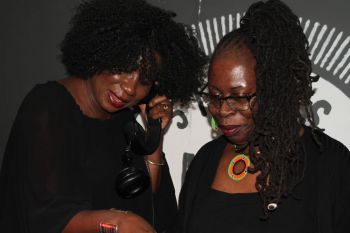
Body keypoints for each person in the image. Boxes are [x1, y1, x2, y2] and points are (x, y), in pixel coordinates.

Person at [0, 0, 206, 232]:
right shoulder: (47, 105)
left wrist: (154, 137)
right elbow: (45, 216)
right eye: (124, 67)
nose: (130, 88)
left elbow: (149, 202)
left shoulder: (124, 121)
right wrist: (117, 222)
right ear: (102, 51)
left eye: (145, 80)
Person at [176, 0, 350, 233]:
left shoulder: (330, 164)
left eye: (239, 97)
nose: (223, 110)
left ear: (276, 89)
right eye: (215, 96)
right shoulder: (206, 161)